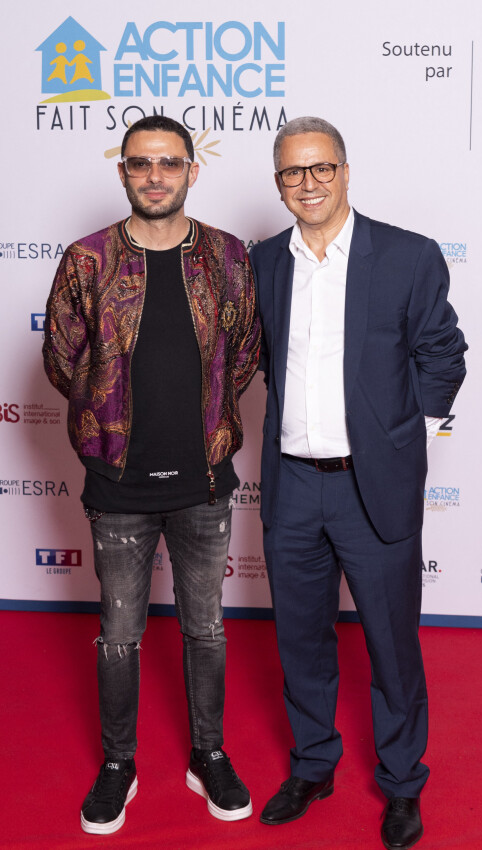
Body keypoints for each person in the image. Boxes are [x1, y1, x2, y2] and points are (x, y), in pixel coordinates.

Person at [250, 116, 467, 850]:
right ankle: (314, 764)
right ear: (277, 182)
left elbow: (444, 354)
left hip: (372, 487)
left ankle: (403, 784)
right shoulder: (263, 263)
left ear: (345, 171)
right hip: (290, 486)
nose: (307, 184)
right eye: (291, 172)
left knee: (390, 644)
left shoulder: (407, 256)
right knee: (299, 640)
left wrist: (407, 440)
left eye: (321, 169)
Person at [43, 115, 260, 835]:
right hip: (119, 487)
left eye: (170, 162)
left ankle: (210, 753)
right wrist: (106, 424)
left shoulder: (228, 256)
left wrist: (210, 423)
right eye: (142, 164)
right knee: (119, 634)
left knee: (207, 630)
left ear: (193, 171)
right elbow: (62, 360)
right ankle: (118, 764)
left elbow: (247, 350)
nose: (156, 175)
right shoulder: (88, 261)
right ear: (124, 173)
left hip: (203, 483)